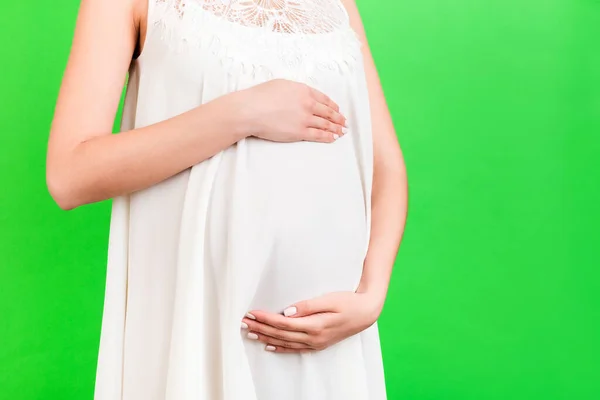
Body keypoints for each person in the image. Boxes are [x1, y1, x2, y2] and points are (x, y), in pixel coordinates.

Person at [46, 0, 408, 398]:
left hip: (330, 339)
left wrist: (371, 295)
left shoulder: (339, 4)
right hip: (199, 325)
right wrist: (244, 112)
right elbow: (70, 173)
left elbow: (386, 165)